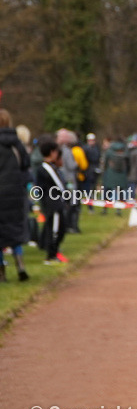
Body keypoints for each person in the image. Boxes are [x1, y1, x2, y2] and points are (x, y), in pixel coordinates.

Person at [0, 109, 31, 281]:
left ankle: (1, 271)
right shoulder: (16, 143)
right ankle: (20, 265)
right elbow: (25, 165)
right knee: (15, 230)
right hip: (15, 193)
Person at [35, 135, 68, 265]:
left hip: (55, 202)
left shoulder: (50, 167)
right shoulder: (46, 167)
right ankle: (51, 255)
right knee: (54, 229)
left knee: (60, 228)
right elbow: (58, 184)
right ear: (51, 152)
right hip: (52, 203)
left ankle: (54, 251)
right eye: (55, 152)